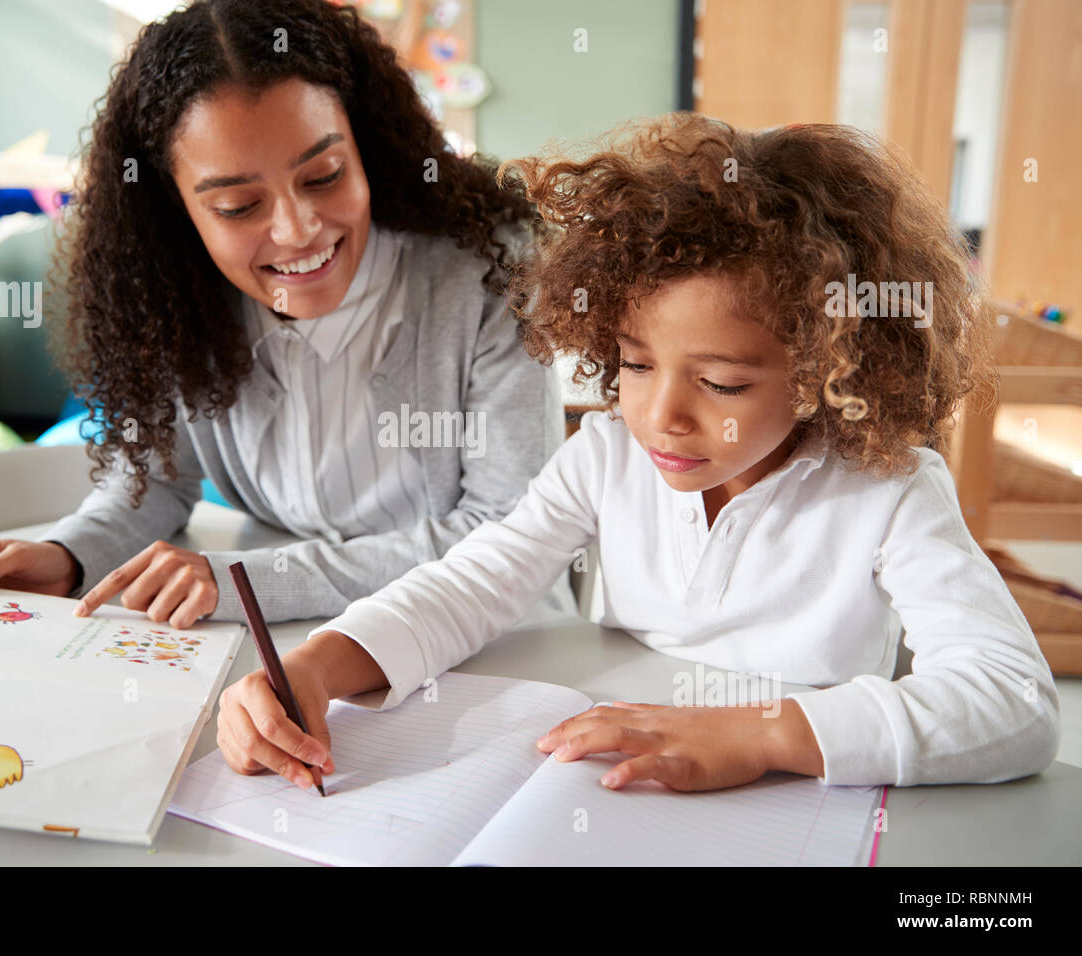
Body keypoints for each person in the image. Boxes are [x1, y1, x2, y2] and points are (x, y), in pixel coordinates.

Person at [215, 112, 1061, 794]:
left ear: (823, 372)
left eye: (723, 384)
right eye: (633, 364)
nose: (660, 417)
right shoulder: (606, 456)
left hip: (804, 803)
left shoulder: (892, 491)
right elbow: (475, 583)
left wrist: (758, 737)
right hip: (615, 781)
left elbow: (1015, 703)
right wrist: (317, 665)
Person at [0, 0, 571, 626]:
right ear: (178, 212)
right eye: (237, 206)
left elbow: (506, 532)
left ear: (366, 149)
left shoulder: (487, 272)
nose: (297, 229)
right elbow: (151, 484)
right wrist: (67, 556)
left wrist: (246, 582)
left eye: (324, 176)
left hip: (488, 642)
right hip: (286, 643)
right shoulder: (176, 298)